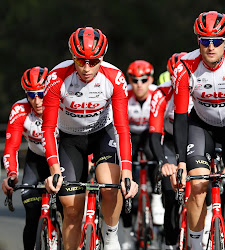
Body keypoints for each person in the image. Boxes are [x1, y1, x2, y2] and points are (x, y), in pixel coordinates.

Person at [162, 11, 225, 250]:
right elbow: (181, 117)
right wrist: (181, 162)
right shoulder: (185, 66)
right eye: (205, 40)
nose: (211, 46)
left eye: (217, 40)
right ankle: (195, 245)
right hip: (200, 127)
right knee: (197, 187)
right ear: (198, 41)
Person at [41, 27, 138, 250]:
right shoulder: (56, 78)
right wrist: (54, 170)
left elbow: (122, 128)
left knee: (110, 187)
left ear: (101, 58)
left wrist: (127, 173)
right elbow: (48, 128)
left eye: (93, 62)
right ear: (72, 57)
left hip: (102, 134)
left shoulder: (114, 78)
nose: (86, 68)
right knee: (71, 207)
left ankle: (111, 234)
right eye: (80, 60)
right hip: (70, 139)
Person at [1, 66, 59, 250]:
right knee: (32, 215)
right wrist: (11, 173)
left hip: (60, 161)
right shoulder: (20, 109)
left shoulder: (61, 105)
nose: (37, 100)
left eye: (41, 93)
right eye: (31, 94)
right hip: (35, 162)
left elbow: (81, 136)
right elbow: (11, 146)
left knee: (68, 208)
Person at [150, 52, 195, 249]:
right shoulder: (161, 93)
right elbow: (154, 133)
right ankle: (170, 242)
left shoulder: (199, 88)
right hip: (169, 140)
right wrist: (162, 163)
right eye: (174, 75)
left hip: (196, 139)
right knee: (170, 193)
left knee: (207, 185)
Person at [121, 60, 163, 250]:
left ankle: (155, 197)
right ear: (130, 80)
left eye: (144, 79)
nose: (139, 84)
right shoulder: (124, 94)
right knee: (124, 186)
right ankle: (129, 234)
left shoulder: (157, 93)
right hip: (130, 135)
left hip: (150, 134)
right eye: (135, 80)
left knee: (156, 159)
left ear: (151, 79)